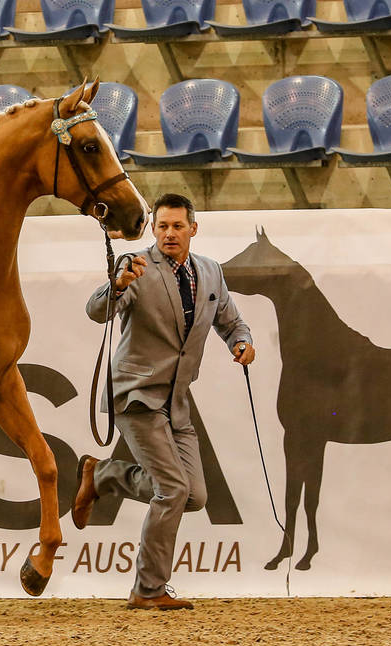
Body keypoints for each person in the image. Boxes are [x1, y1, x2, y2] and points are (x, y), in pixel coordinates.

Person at [73, 193, 255, 610]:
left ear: (193, 229)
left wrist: (242, 342)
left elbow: (231, 321)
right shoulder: (134, 266)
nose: (169, 234)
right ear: (153, 229)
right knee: (172, 489)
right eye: (162, 226)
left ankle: (103, 476)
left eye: (177, 226)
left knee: (194, 496)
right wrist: (116, 285)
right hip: (135, 395)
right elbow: (96, 310)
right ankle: (148, 589)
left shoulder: (210, 272)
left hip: (176, 401)